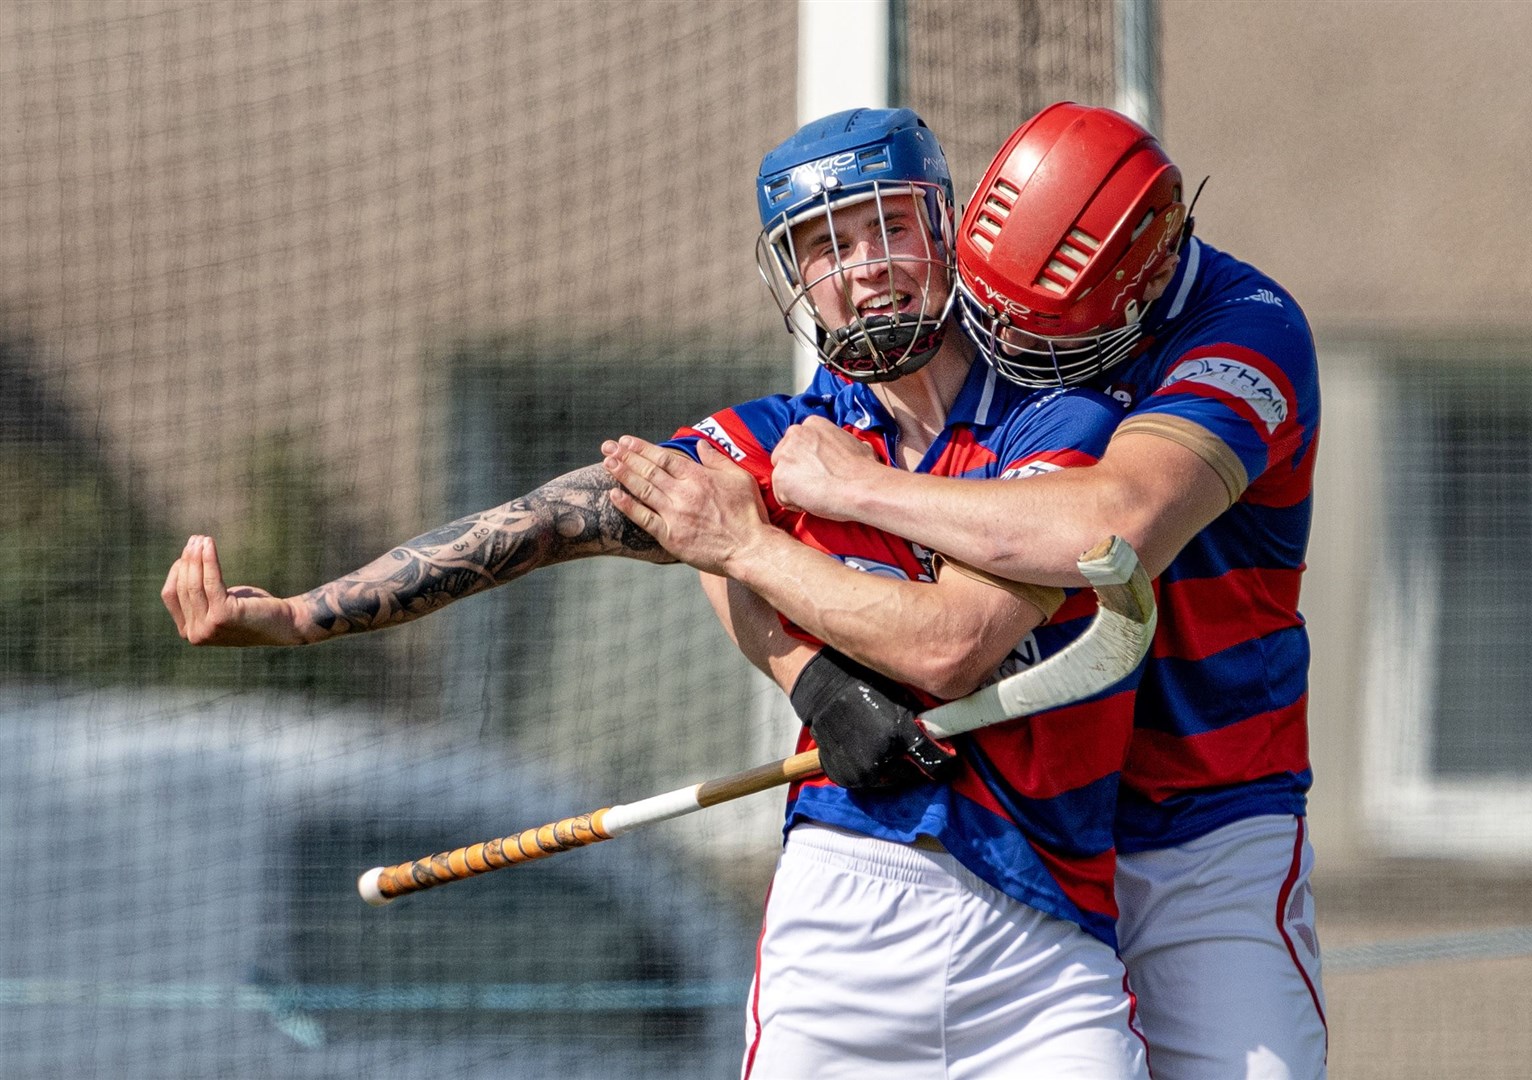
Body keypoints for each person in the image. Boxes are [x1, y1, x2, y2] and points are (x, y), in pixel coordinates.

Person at [163, 108, 1149, 1077]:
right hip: (849, 917)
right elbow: (544, 522)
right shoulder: (761, 441)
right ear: (798, 278)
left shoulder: (1055, 421)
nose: (864, 267)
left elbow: (951, 647)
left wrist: (743, 550)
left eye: (887, 225)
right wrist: (304, 616)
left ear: (943, 229)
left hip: (1045, 933)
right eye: (824, 247)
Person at [741, 103, 1327, 1079]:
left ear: (1140, 289)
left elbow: (1107, 528)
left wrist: (855, 487)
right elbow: (723, 516)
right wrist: (806, 672)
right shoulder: (1003, 284)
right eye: (997, 322)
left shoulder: (1247, 334)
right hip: (1043, 832)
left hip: (1204, 828)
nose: (1009, 357)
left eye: (1049, 342)